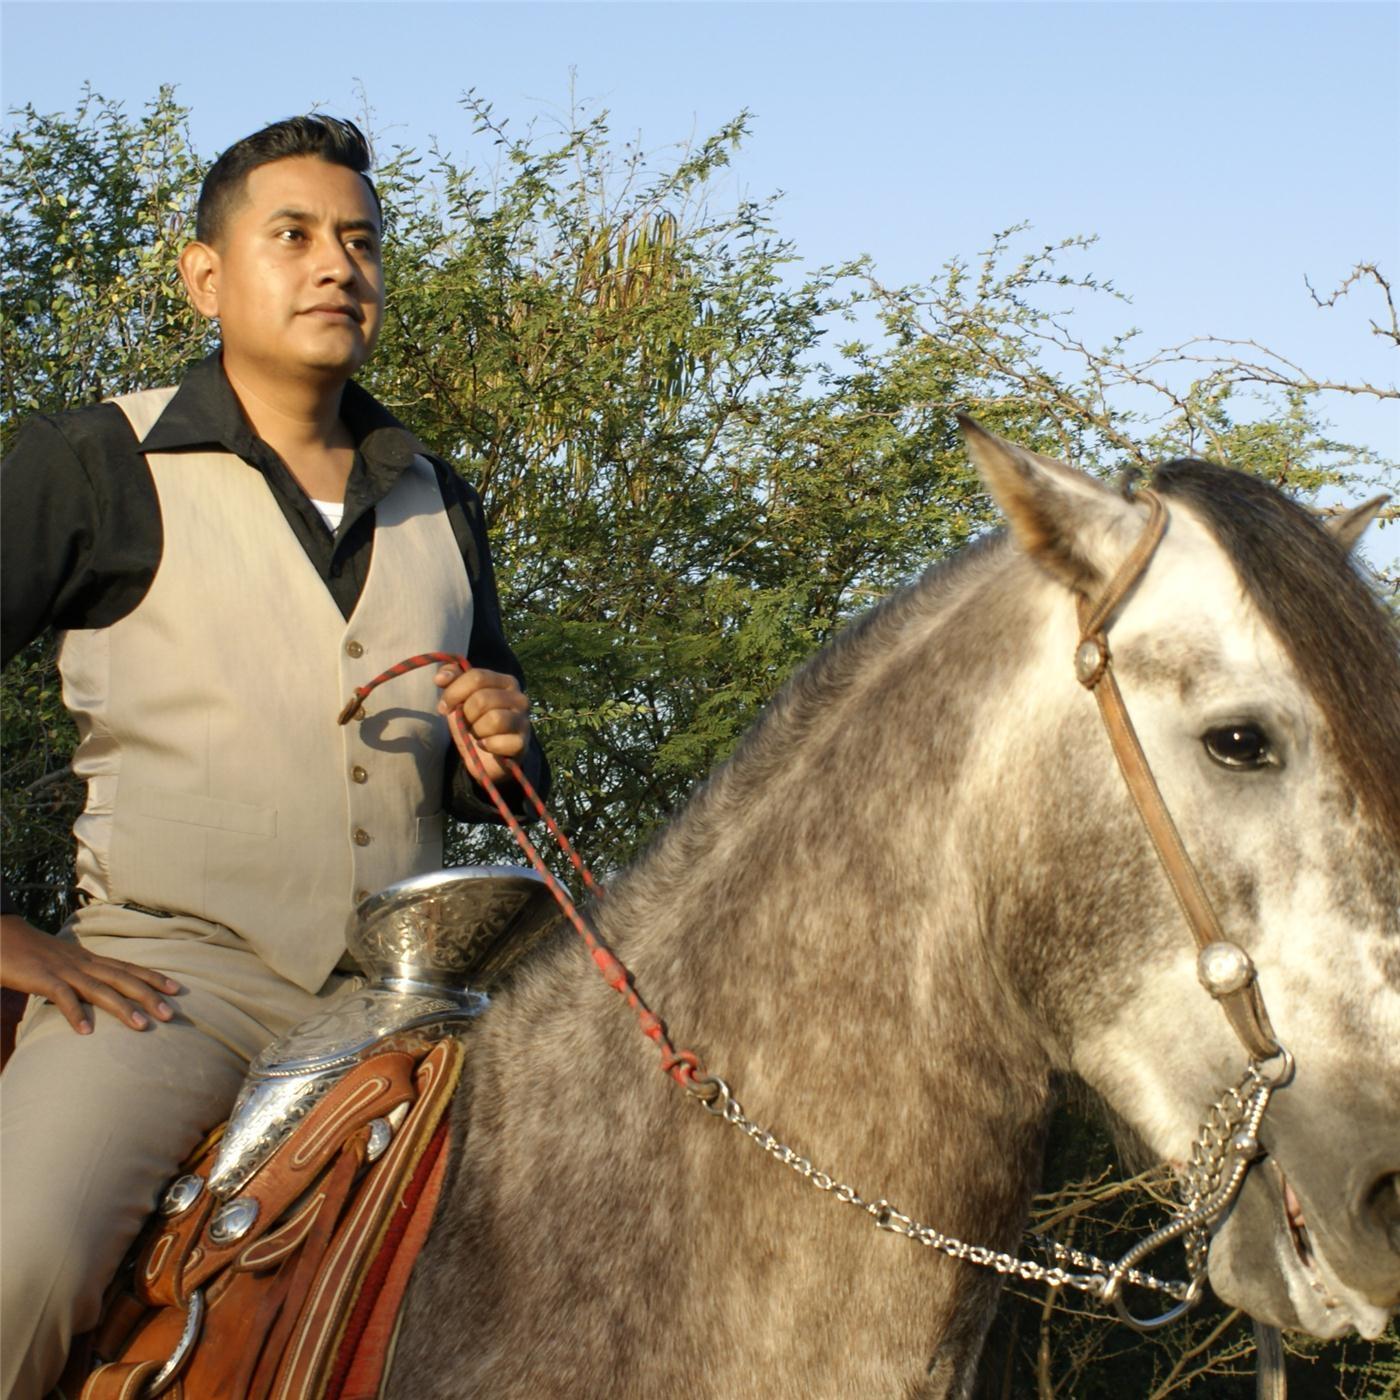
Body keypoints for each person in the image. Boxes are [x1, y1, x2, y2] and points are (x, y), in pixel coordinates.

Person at [0, 115, 548, 1400]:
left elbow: (503, 787)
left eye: (359, 239)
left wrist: (506, 738)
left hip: (410, 1004)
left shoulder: (439, 495)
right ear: (205, 277)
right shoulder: (95, 460)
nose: (334, 265)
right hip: (168, 984)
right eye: (292, 234)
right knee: (19, 1259)